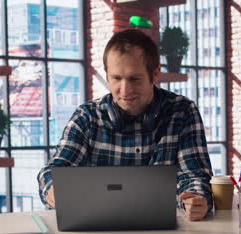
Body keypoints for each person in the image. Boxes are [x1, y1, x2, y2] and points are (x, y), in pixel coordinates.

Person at [37, 29, 213, 222]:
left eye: (134, 79)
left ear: (155, 74)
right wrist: (53, 189)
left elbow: (194, 175)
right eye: (116, 78)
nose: (125, 90)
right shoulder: (87, 117)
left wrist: (196, 198)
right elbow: (54, 171)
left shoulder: (182, 111)